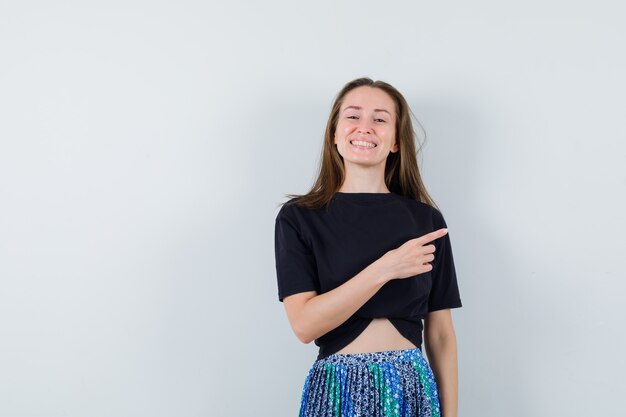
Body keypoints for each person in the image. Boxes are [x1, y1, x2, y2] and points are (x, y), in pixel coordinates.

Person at [274, 77, 463, 417]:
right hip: (337, 389)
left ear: (395, 141)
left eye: (380, 119)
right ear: (334, 134)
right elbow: (304, 325)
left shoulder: (426, 221)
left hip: (410, 389)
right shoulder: (300, 218)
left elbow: (441, 335)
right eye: (353, 116)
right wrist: (386, 268)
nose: (365, 127)